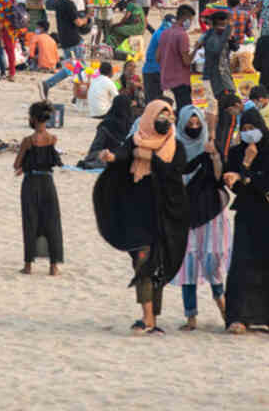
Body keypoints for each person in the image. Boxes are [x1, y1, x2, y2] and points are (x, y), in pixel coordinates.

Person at [93, 98, 187, 334]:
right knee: (143, 262)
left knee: (158, 266)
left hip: (165, 216)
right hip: (138, 217)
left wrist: (150, 158)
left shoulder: (176, 147)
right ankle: (147, 318)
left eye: (168, 117)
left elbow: (174, 173)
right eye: (160, 117)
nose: (165, 122)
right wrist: (111, 157)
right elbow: (124, 154)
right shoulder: (136, 140)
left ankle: (152, 318)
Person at [221, 105, 269, 334]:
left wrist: (246, 174)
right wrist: (244, 169)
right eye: (245, 128)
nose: (249, 132)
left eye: (253, 127)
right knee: (243, 265)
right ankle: (239, 317)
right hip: (248, 215)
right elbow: (237, 186)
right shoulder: (238, 151)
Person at [169, 104, 231, 330]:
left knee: (211, 262)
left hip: (210, 214)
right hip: (185, 215)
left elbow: (218, 178)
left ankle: (224, 307)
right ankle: (191, 316)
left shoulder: (209, 146)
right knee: (188, 266)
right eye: (190, 124)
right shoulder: (175, 148)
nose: (194, 127)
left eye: (197, 124)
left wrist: (214, 156)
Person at [14, 101, 64, 276]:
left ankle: (28, 265)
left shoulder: (28, 141)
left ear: (33, 119)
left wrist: (23, 166)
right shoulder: (53, 139)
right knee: (52, 222)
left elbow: (17, 164)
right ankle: (53, 266)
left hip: (31, 184)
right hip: (48, 184)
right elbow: (51, 161)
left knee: (30, 222)